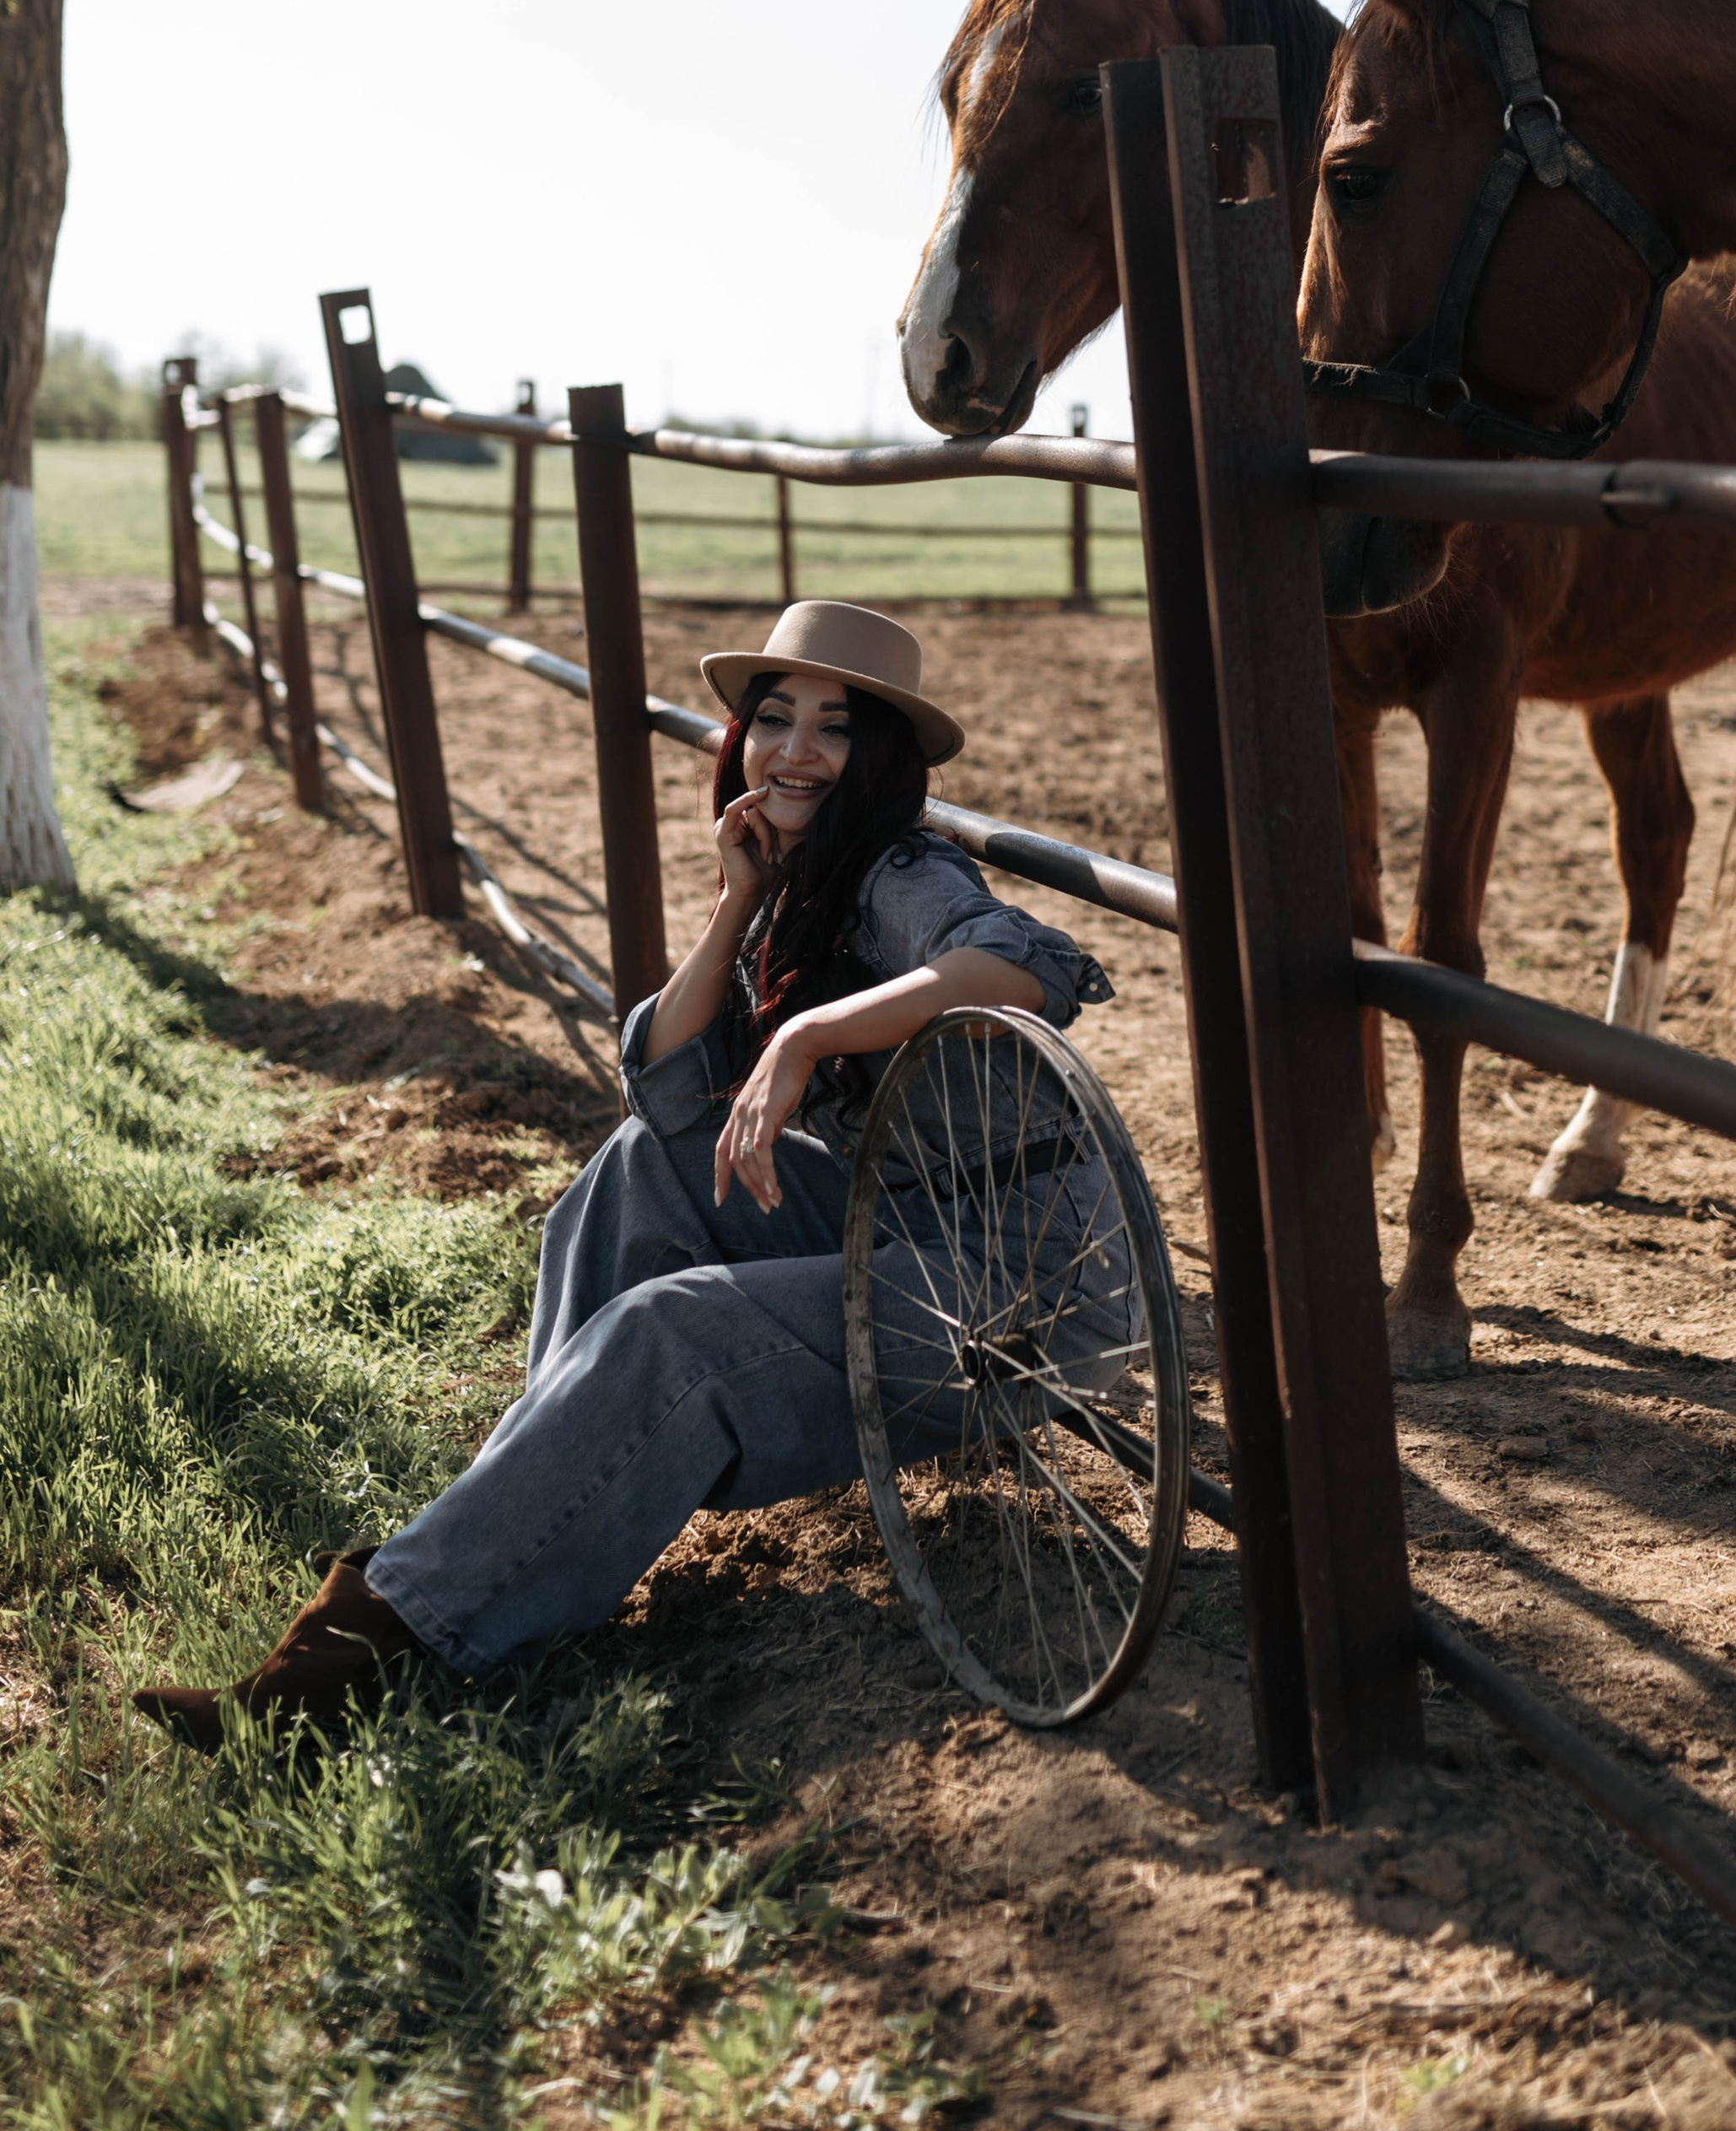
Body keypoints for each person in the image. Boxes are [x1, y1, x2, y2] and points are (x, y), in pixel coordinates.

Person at [135, 602, 1113, 1749]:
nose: (796, 751)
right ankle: (508, 1534)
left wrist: (805, 1040)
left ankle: (357, 1662)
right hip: (897, 1229)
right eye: (773, 720)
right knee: (643, 1167)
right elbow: (665, 1091)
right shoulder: (798, 884)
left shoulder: (897, 872)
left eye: (835, 729)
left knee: (673, 1332)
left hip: (1016, 1289)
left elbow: (1019, 967)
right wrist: (737, 896)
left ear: (883, 755)